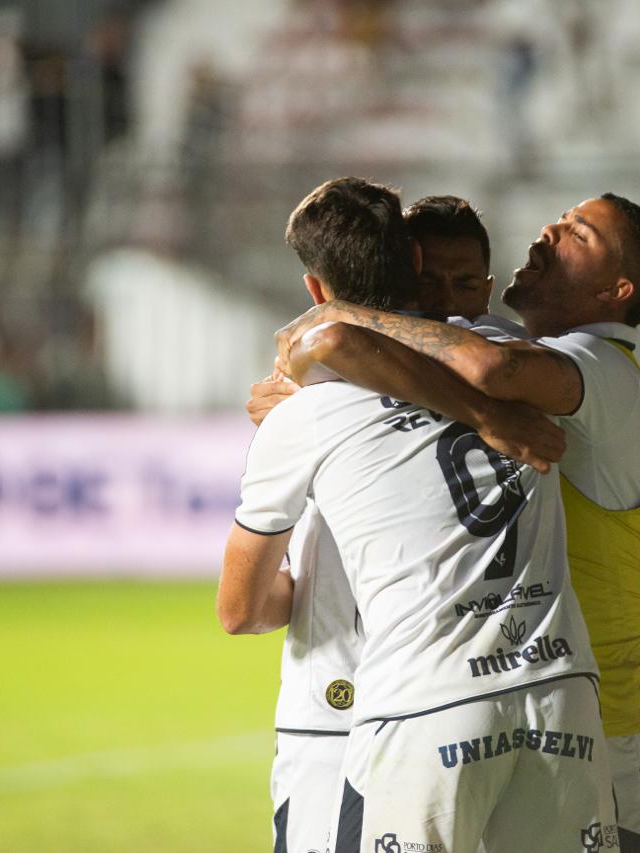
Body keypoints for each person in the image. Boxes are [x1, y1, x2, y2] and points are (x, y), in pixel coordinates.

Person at [276, 192, 640, 852]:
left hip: (619, 720)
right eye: (557, 220)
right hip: (553, 701)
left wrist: (343, 324)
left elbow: (488, 367)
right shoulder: (536, 364)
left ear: (617, 289)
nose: (549, 232)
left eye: (577, 234)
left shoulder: (593, 364)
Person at [220, 178, 616, 852]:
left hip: (392, 699)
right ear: (419, 269)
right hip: (557, 689)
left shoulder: (305, 409)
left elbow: (239, 609)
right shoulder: (516, 363)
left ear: (317, 292)